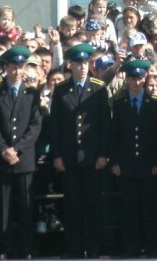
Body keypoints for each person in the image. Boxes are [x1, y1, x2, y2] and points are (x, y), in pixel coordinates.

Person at [50, 43, 111, 260]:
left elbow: (105, 125)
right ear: (71, 65)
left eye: (86, 63)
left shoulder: (98, 88)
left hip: (92, 156)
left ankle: (93, 246)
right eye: (79, 63)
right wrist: (57, 155)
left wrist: (103, 154)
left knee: (93, 204)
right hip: (69, 157)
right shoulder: (61, 90)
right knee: (72, 204)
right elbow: (55, 126)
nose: (83, 67)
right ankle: (74, 246)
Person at [0, 46, 42, 261]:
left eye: (20, 67)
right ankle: (5, 246)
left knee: (26, 206)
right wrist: (3, 149)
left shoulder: (32, 93)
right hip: (3, 158)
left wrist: (17, 148)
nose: (17, 71)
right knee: (4, 207)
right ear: (6, 68)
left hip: (24, 157)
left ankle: (25, 247)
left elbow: (35, 126)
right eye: (13, 67)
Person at [110, 56, 157, 258]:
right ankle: (132, 247)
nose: (136, 82)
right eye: (132, 78)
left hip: (149, 165)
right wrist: (114, 161)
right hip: (127, 164)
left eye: (140, 78)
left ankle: (152, 247)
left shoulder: (154, 104)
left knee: (151, 209)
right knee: (129, 209)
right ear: (127, 79)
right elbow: (114, 136)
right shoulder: (120, 104)